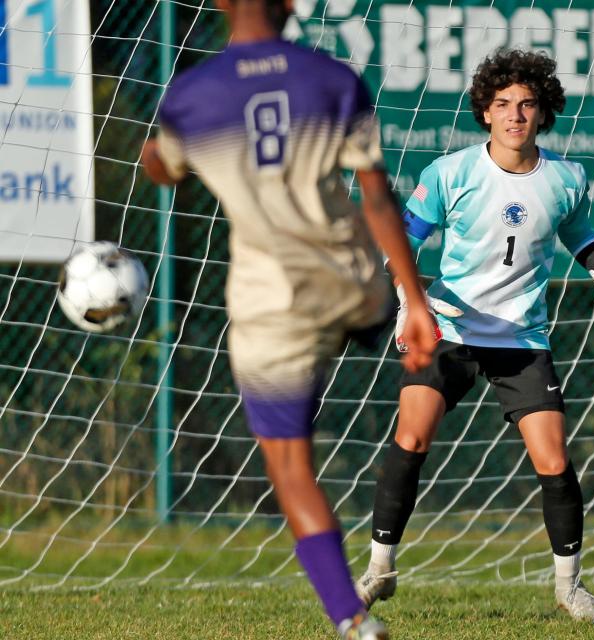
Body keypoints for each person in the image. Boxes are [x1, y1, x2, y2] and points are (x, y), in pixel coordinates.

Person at [140, 1, 437, 638]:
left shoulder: (191, 97)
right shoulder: (333, 78)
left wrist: (162, 156)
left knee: (289, 465)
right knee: (357, 309)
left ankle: (352, 620)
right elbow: (377, 195)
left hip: (273, 298)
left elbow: (162, 168)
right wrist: (413, 301)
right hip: (354, 283)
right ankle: (372, 324)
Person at [354, 47, 594, 624]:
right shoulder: (452, 173)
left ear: (543, 113)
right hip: (447, 325)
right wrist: (406, 305)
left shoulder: (567, 178)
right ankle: (380, 569)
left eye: (527, 104)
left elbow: (580, 235)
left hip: (521, 339)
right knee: (411, 438)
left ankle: (569, 586)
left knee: (553, 459)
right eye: (502, 105)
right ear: (484, 113)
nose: (515, 114)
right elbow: (402, 244)